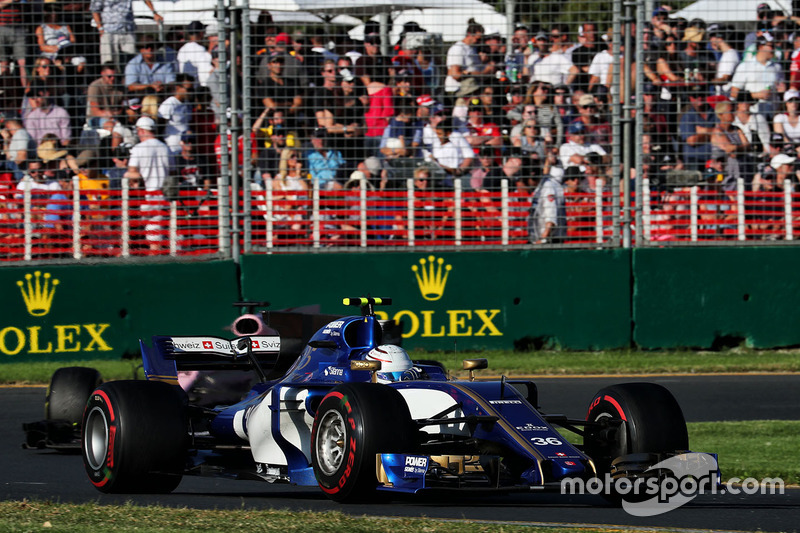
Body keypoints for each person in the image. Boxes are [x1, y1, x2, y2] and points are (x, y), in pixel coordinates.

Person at [124, 115, 171, 250]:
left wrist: (130, 177)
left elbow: (132, 172)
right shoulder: (165, 148)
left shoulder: (139, 148)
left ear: (142, 131)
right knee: (157, 236)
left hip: (146, 197)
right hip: (164, 196)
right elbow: (172, 172)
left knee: (152, 241)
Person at [91, 0, 162, 66]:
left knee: (131, 61)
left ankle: (129, 78)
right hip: (109, 31)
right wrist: (100, 28)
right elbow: (94, 10)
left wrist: (154, 13)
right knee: (109, 62)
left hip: (128, 30)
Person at [528, 165, 581, 244]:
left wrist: (543, 238)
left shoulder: (548, 187)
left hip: (549, 239)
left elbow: (551, 215)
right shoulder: (541, 186)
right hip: (542, 237)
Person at [444, 21, 483, 97]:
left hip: (471, 89)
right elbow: (456, 74)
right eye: (477, 39)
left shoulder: (472, 48)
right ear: (469, 34)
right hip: (458, 90)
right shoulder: (458, 49)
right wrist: (471, 73)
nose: (479, 42)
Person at [158, 79, 192, 154]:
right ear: (178, 88)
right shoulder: (169, 103)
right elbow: (160, 125)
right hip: (172, 148)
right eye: (188, 89)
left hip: (186, 149)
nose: (191, 92)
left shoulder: (188, 104)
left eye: (192, 90)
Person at [86, 63, 124, 128]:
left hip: (116, 116)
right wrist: (110, 116)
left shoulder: (120, 87)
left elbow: (123, 106)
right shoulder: (95, 86)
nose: (112, 78)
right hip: (96, 118)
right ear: (102, 74)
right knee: (111, 126)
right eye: (109, 76)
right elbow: (95, 111)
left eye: (115, 76)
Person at [178, 21, 213, 88]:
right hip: (196, 87)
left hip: (185, 86)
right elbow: (204, 73)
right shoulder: (200, 49)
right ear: (201, 33)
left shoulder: (182, 49)